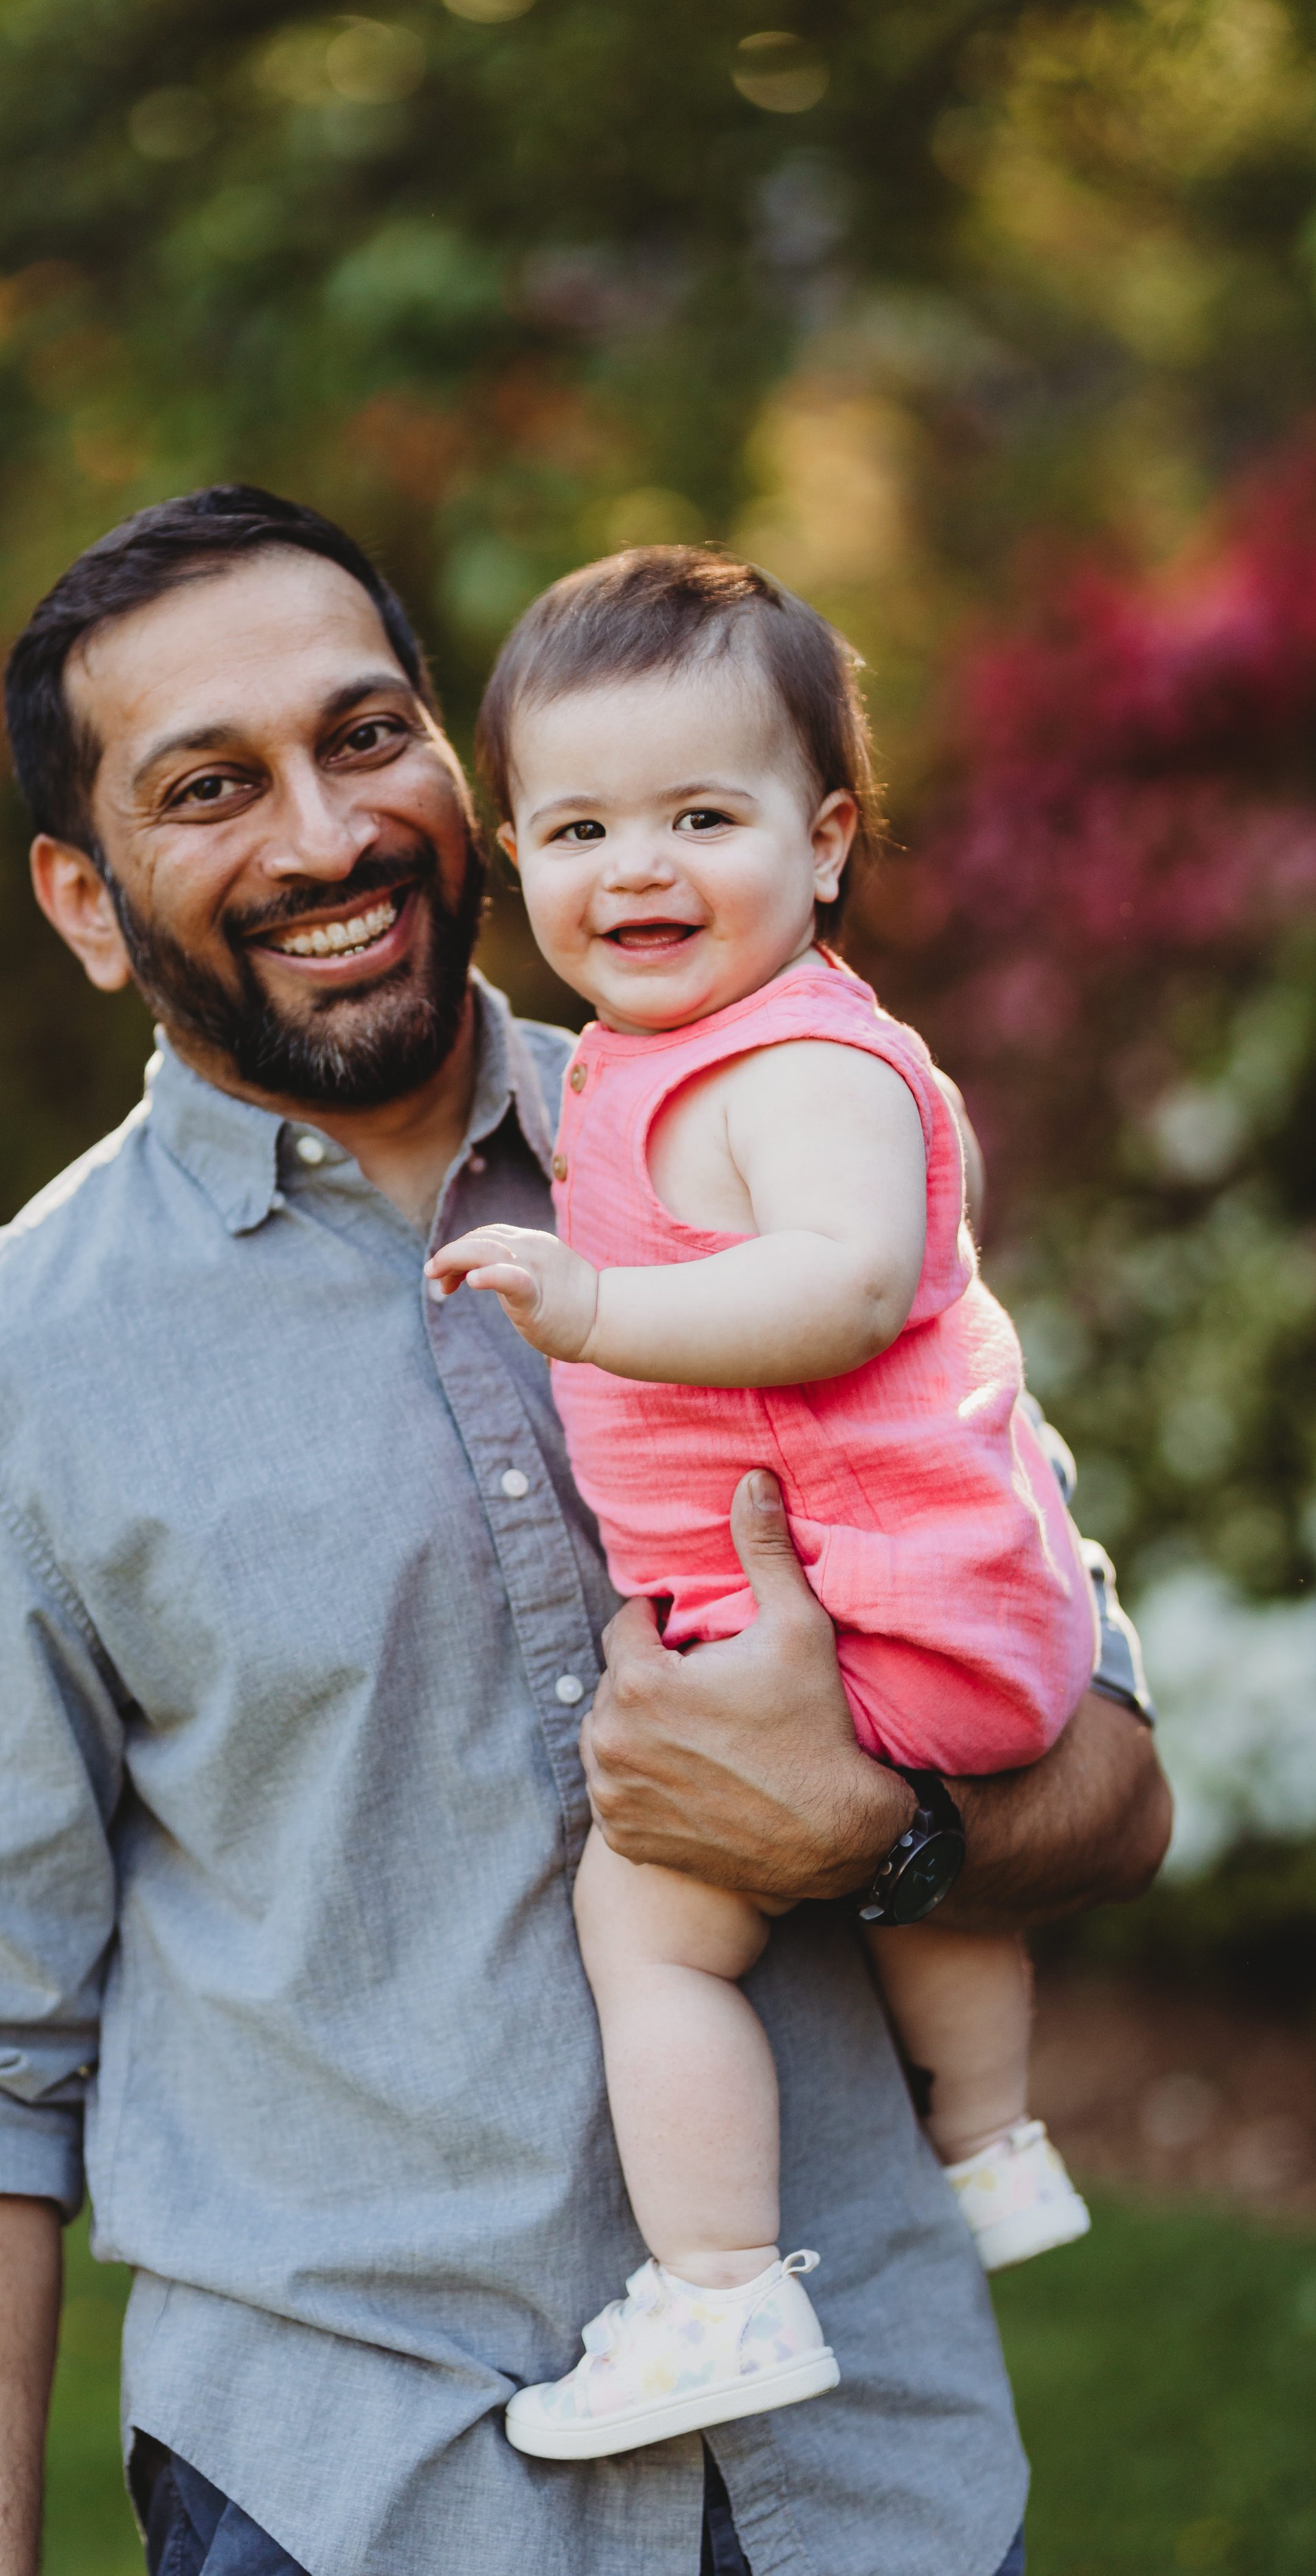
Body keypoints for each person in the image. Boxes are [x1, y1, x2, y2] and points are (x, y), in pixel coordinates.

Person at [0, 485, 1170, 2576]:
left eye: (367, 738)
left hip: (871, 2478)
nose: (325, 833)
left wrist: (877, 1834)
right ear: (86, 904)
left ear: (462, 771)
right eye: (208, 787)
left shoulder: (794, 1148)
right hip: (360, 2495)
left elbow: (1114, 1777)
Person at [428, 548, 1101, 2462]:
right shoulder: (674, 1055)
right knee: (921, 1891)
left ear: (822, 844)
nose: (633, 867)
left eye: (697, 817)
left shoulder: (798, 1059)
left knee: (645, 1925)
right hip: (921, 1609)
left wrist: (596, 1306)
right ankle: (987, 2145)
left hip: (873, 1611)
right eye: (576, 827)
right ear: (513, 855)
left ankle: (716, 2291)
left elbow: (838, 1280)